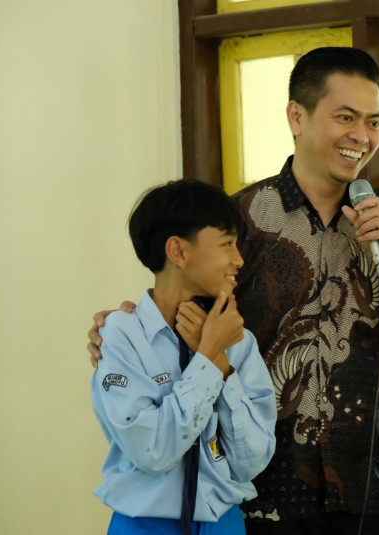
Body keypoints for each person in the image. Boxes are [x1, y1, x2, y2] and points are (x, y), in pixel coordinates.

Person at [88, 47, 379, 535]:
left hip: (370, 489)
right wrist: (121, 325)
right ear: (297, 116)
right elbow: (181, 326)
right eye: (346, 117)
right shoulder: (243, 219)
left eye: (374, 122)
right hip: (265, 491)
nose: (362, 136)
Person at [91, 179, 277, 535]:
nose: (239, 259)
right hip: (144, 525)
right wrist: (207, 358)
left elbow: (251, 462)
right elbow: (153, 451)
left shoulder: (238, 341)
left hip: (223, 523)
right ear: (177, 251)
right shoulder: (120, 336)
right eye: (226, 244)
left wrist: (222, 366)